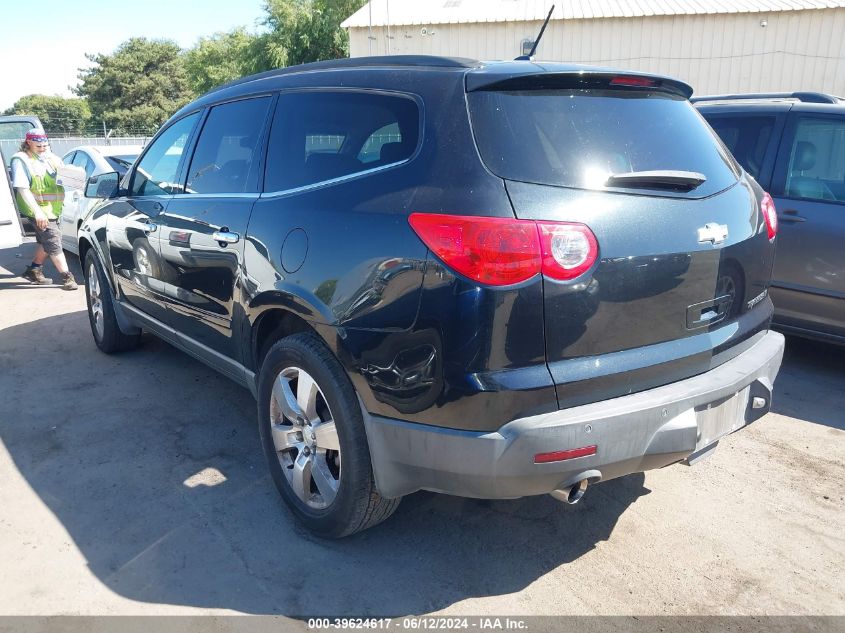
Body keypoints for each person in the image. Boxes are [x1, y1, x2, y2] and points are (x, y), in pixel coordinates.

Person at [10, 128, 78, 290]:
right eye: (38, 146)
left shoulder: (52, 159)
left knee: (45, 241)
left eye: (45, 145)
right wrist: (38, 212)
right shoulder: (21, 160)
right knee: (54, 241)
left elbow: (66, 180)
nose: (42, 148)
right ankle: (67, 277)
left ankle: (34, 269)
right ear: (28, 142)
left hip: (53, 209)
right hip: (37, 210)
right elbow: (22, 188)